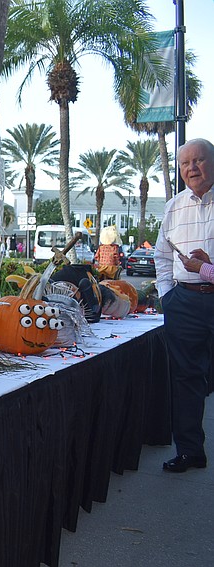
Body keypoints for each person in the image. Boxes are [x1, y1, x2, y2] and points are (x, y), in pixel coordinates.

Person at [154, 138, 214, 473]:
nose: (191, 169)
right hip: (186, 303)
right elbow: (162, 255)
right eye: (184, 163)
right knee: (187, 379)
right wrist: (167, 296)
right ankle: (191, 451)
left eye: (199, 161)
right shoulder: (174, 206)